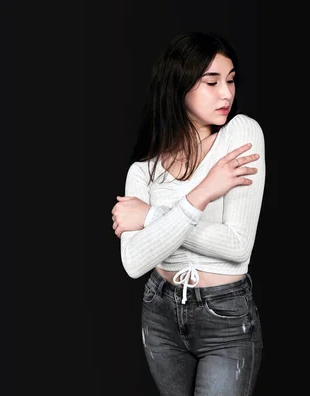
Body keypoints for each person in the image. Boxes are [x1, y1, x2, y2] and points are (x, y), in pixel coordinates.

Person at [110, 31, 265, 396]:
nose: (226, 93)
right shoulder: (143, 171)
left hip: (225, 316)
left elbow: (238, 246)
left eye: (230, 80)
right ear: (177, 86)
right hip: (160, 314)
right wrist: (200, 197)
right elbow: (134, 263)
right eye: (211, 82)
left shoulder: (239, 137)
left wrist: (151, 217)